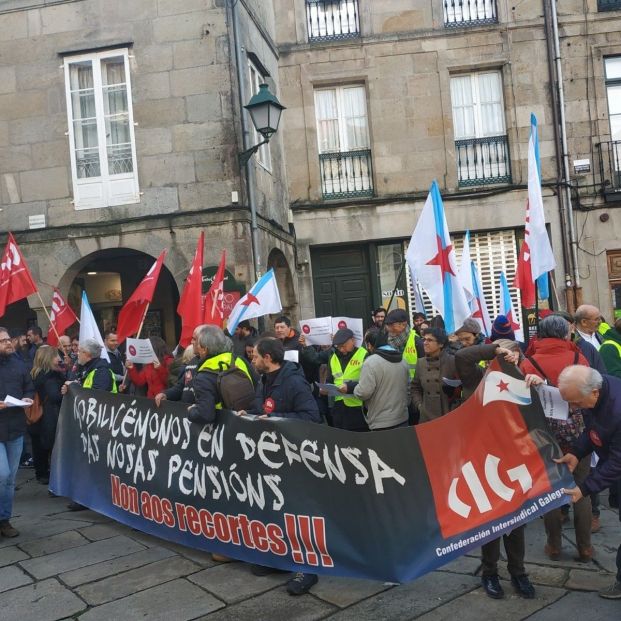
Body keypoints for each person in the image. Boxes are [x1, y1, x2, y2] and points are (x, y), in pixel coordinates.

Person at [454, 335, 535, 600]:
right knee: (491, 520)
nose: (506, 361)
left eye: (511, 356)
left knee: (516, 520)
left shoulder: (523, 378)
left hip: (515, 458)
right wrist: (494, 349)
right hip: (484, 458)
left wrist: (534, 379)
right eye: (501, 357)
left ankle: (518, 572)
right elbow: (462, 356)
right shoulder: (478, 377)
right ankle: (489, 572)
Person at [244, 337, 320, 594]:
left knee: (300, 511)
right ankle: (282, 558)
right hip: (273, 455)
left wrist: (276, 418)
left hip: (296, 456)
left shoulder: (294, 382)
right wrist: (250, 415)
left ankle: (307, 568)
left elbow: (311, 417)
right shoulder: (264, 379)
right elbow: (260, 407)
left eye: (255, 356)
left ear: (268, 358)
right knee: (277, 507)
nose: (252, 360)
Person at [543, 365, 621, 599]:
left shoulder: (617, 410)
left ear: (595, 392)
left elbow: (617, 462)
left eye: (575, 403)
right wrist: (576, 452)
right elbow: (591, 431)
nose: (573, 409)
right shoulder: (597, 391)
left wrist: (585, 488)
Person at [519, 315, 592, 562]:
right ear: (564, 334)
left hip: (543, 434)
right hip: (577, 432)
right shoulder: (578, 357)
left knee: (549, 490)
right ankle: (585, 547)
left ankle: (554, 546)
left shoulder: (529, 363)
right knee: (581, 487)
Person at [61, 338, 116, 512]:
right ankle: (83, 496)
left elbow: (98, 396)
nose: (77, 354)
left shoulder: (101, 371)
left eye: (80, 351)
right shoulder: (85, 368)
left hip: (100, 424)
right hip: (86, 423)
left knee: (95, 463)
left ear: (88, 354)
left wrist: (76, 387)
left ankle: (92, 497)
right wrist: (70, 387)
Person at [0, 326, 34, 538]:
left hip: (15, 428)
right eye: (3, 341)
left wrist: (29, 397)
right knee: (2, 474)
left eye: (8, 339)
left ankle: (4, 520)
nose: (8, 343)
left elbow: (28, 386)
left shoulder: (18, 364)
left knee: (11, 478)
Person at [343, 327, 409, 430]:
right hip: (403, 418)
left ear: (369, 345)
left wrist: (352, 387)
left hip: (381, 421)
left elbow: (363, 393)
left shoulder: (370, 362)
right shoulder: (403, 360)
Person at [186, 325, 253, 425]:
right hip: (250, 424)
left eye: (197, 342)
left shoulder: (203, 376)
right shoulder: (239, 360)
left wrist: (192, 411)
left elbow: (205, 415)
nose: (193, 343)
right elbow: (259, 387)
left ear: (205, 349)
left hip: (224, 429)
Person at [30, 346, 65, 486]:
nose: (59, 359)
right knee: (50, 446)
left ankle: (42, 473)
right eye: (56, 356)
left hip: (37, 417)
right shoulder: (50, 377)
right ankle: (49, 476)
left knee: (38, 447)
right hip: (49, 417)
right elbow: (55, 396)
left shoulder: (35, 373)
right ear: (48, 358)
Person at [411, 328, 457, 423]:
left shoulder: (452, 361)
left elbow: (462, 388)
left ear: (441, 344)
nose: (425, 343)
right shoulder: (421, 363)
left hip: (448, 415)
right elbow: (415, 387)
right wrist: (420, 406)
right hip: (426, 416)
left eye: (430, 340)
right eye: (424, 339)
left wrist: (454, 407)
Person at [325, 329, 368, 431]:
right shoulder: (333, 357)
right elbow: (330, 380)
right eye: (339, 347)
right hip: (339, 409)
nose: (341, 349)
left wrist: (349, 387)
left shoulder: (364, 354)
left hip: (358, 408)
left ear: (352, 340)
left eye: (344, 346)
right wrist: (325, 388)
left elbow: (368, 382)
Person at [155, 325, 204, 408]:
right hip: (187, 414)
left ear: (204, 341)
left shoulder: (216, 364)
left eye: (194, 339)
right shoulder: (192, 362)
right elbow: (180, 387)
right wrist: (165, 394)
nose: (191, 342)